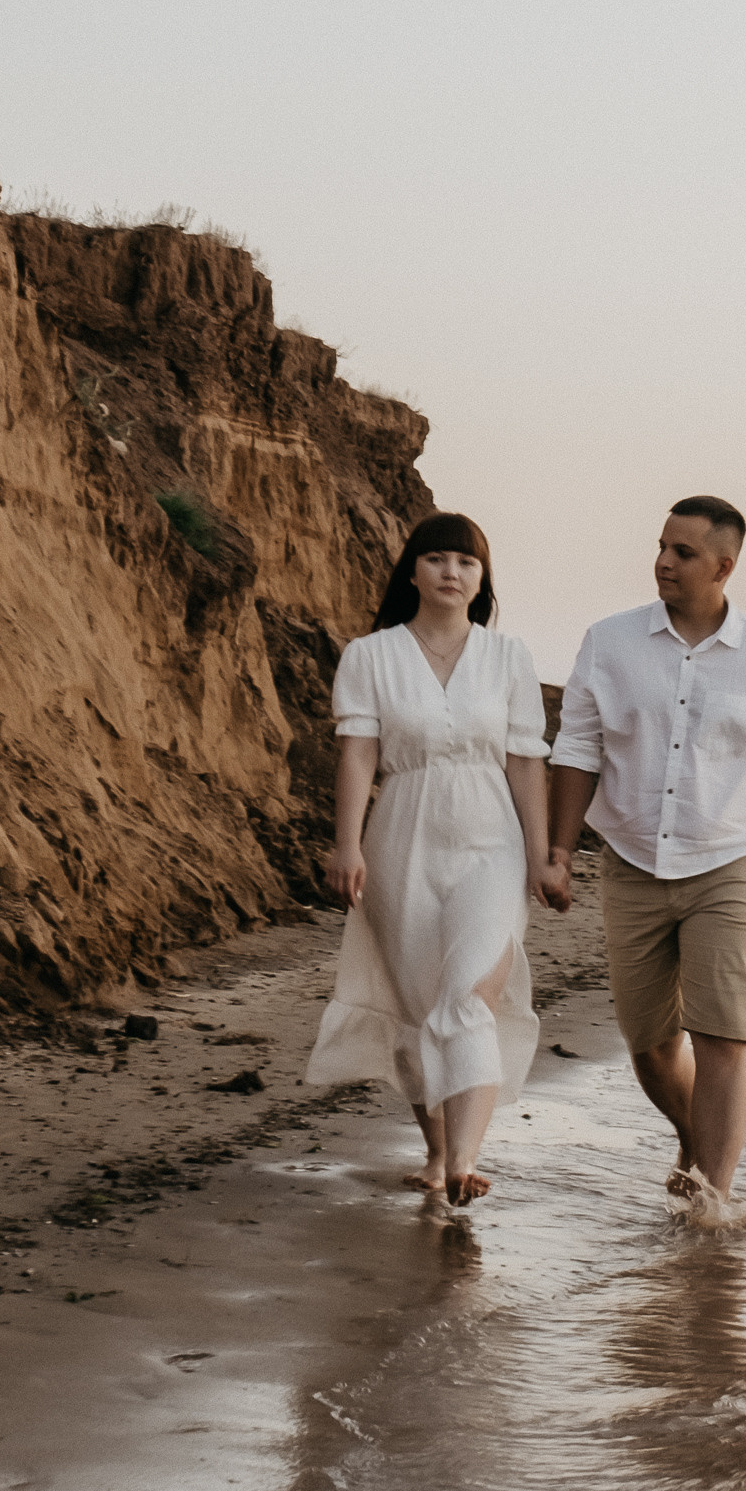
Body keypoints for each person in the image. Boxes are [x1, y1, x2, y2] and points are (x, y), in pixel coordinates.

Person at [539, 495, 746, 1222]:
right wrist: (558, 850)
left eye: (682, 553)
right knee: (649, 1045)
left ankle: (712, 1202)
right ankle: (690, 1134)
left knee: (722, 1035)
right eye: (659, 546)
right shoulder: (609, 642)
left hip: (730, 862)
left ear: (724, 566)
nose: (662, 562)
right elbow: (578, 747)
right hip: (631, 860)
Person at [307, 512, 555, 1205]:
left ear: (482, 580)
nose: (452, 572)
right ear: (412, 571)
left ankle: (463, 1160)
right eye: (439, 559)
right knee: (419, 1008)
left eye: (467, 563)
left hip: (491, 841)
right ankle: (436, 1147)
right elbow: (357, 754)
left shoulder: (508, 658)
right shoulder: (370, 655)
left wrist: (539, 857)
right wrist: (348, 843)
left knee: (466, 997)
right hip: (401, 836)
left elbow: (526, 763)